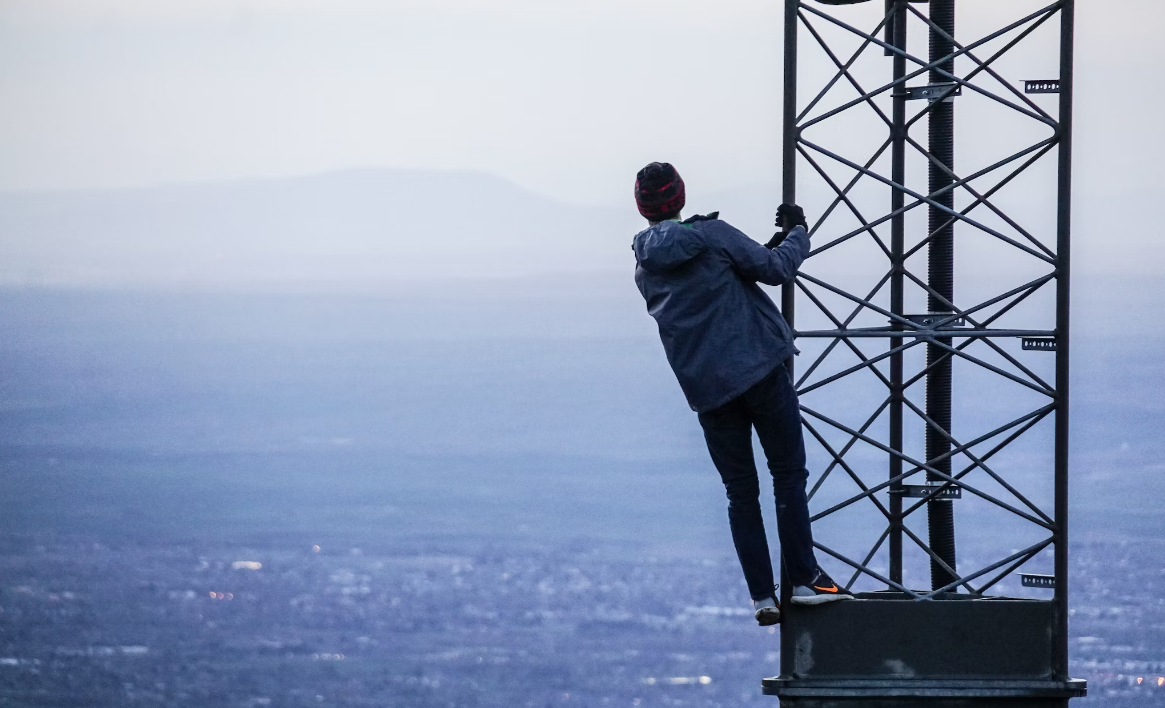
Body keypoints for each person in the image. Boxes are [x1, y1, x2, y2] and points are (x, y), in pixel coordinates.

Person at [630, 161, 853, 627]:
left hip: (709, 392)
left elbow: (713, 285)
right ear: (680, 196)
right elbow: (775, 270)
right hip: (760, 372)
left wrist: (760, 249)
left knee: (740, 492)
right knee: (787, 474)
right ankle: (805, 580)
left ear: (642, 207)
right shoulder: (712, 234)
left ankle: (762, 596)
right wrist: (798, 233)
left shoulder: (645, 267)